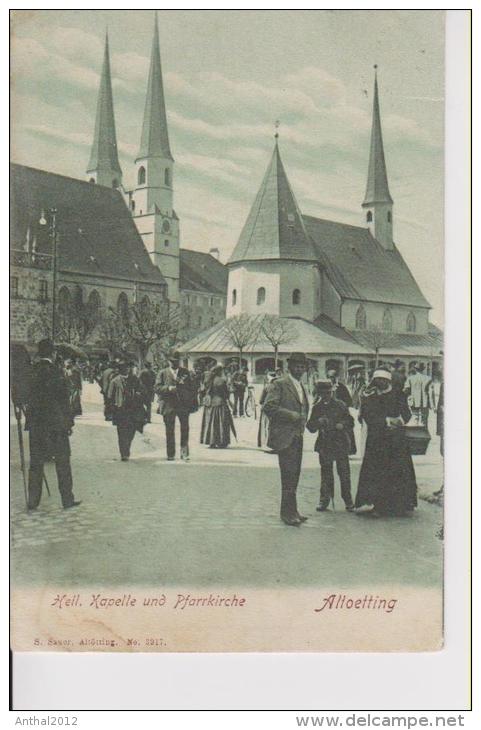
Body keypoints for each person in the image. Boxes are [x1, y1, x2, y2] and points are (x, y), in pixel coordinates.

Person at [25, 339, 80, 511]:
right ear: (52, 354)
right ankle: (67, 499)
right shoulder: (57, 373)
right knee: (63, 462)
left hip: (36, 425)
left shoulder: (31, 372)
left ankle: (33, 500)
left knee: (36, 463)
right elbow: (65, 401)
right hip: (56, 425)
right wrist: (69, 423)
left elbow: (23, 396)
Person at [355, 369, 417, 516]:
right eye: (377, 380)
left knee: (397, 470)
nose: (380, 383)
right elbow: (368, 416)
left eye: (383, 380)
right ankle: (379, 505)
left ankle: (400, 504)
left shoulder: (398, 395)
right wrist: (387, 421)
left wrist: (399, 421)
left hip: (396, 440)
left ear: (388, 381)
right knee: (377, 471)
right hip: (377, 440)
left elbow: (406, 414)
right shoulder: (371, 396)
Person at [263, 352, 310, 526]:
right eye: (297, 366)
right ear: (289, 367)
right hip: (285, 436)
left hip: (297, 435)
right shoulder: (280, 384)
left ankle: (293, 510)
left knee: (295, 474)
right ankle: (286, 513)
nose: (300, 369)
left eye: (302, 366)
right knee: (288, 474)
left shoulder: (301, 385)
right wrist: (292, 415)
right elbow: (268, 407)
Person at [307, 380, 354, 512]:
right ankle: (324, 500)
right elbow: (310, 427)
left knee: (344, 473)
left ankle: (348, 500)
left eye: (329, 392)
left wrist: (343, 425)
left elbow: (350, 421)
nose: (326, 395)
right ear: (319, 393)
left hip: (340, 443)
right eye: (323, 393)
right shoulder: (317, 407)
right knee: (326, 473)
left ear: (332, 392)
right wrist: (317, 422)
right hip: (325, 444)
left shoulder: (340, 405)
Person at [155, 351, 197, 461]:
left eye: (177, 362)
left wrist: (187, 397)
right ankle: (170, 454)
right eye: (172, 362)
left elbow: (192, 388)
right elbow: (157, 388)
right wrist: (168, 388)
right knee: (169, 430)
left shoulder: (185, 372)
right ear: (168, 362)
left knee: (185, 429)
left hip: (183, 406)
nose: (175, 364)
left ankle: (184, 453)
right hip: (168, 405)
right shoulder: (162, 373)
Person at [108, 362, 147, 461]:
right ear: (120, 369)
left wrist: (139, 394)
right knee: (121, 433)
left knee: (131, 431)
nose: (127, 370)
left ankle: (127, 448)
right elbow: (110, 397)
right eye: (124, 368)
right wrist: (112, 410)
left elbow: (143, 391)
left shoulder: (135, 379)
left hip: (133, 410)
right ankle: (124, 454)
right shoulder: (115, 381)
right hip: (120, 411)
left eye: (128, 368)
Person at [200, 364, 236, 448]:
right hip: (220, 403)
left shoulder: (208, 380)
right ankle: (222, 442)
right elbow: (226, 394)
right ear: (220, 371)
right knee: (221, 423)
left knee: (210, 423)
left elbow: (203, 391)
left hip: (209, 404)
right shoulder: (221, 381)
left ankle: (211, 442)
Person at [403, 362, 433, 426]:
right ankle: (423, 432)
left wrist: (409, 395)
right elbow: (431, 392)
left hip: (413, 400)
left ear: (415, 369)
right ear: (423, 369)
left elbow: (406, 390)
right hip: (425, 401)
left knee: (415, 417)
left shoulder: (410, 378)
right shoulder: (428, 378)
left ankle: (415, 432)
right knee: (424, 419)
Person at [257, 371, 278, 450]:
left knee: (265, 426)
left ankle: (265, 443)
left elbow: (261, 400)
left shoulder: (267, 387)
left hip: (267, 410)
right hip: (277, 411)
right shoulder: (280, 387)